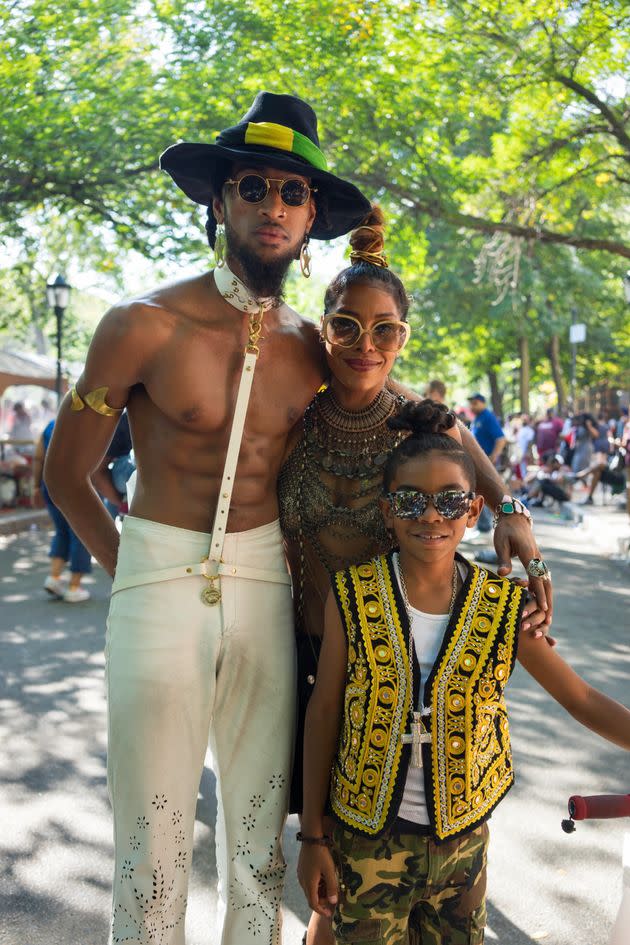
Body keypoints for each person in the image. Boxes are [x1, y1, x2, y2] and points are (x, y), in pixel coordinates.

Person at [44, 92, 372, 945]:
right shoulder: (141, 324)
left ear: (311, 221)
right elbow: (66, 471)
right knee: (150, 843)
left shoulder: (315, 347)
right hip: (156, 572)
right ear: (219, 199)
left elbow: (413, 417)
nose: (274, 206)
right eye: (255, 186)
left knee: (260, 842)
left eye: (294, 193)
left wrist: (512, 506)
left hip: (268, 584)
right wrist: (137, 575)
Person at [279, 209, 549, 945]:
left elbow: (496, 495)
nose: (366, 345)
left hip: (385, 668)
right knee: (328, 855)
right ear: (323, 329)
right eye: (345, 326)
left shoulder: (425, 424)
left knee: (359, 873)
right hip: (295, 654)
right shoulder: (289, 415)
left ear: (404, 334)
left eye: (386, 329)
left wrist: (522, 527)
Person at [297, 400, 630, 943]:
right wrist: (313, 838)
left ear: (475, 510)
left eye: (450, 501)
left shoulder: (503, 606)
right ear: (387, 511)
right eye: (411, 501)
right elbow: (325, 711)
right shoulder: (353, 596)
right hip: (367, 838)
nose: (431, 516)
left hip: (464, 843)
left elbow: (581, 699)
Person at [32, 420, 92, 602]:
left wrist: (35, 487)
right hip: (76, 484)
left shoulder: (50, 424)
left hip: (50, 484)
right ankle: (74, 587)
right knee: (81, 534)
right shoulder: (90, 423)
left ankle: (55, 578)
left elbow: (38, 457)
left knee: (61, 531)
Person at [467, 393, 506, 532]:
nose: (472, 406)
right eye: (471, 403)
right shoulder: (477, 418)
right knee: (476, 491)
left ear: (483, 403)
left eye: (475, 403)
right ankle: (482, 525)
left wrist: (491, 458)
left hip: (484, 463)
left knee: (482, 492)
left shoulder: (488, 417)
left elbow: (501, 439)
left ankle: (485, 526)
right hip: (476, 462)